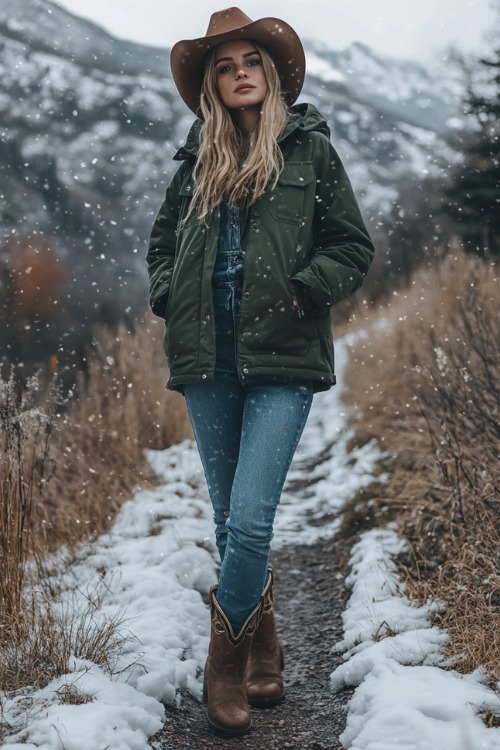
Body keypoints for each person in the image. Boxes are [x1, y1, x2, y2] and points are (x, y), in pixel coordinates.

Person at [147, 7, 375, 737]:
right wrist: (170, 296)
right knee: (227, 522)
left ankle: (225, 661)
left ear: (269, 73)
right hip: (207, 357)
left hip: (283, 356)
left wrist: (307, 285)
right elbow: (159, 248)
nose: (240, 71)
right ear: (213, 83)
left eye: (251, 61)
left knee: (249, 519)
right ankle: (264, 642)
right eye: (225, 64)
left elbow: (352, 245)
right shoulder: (196, 160)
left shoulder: (309, 151)